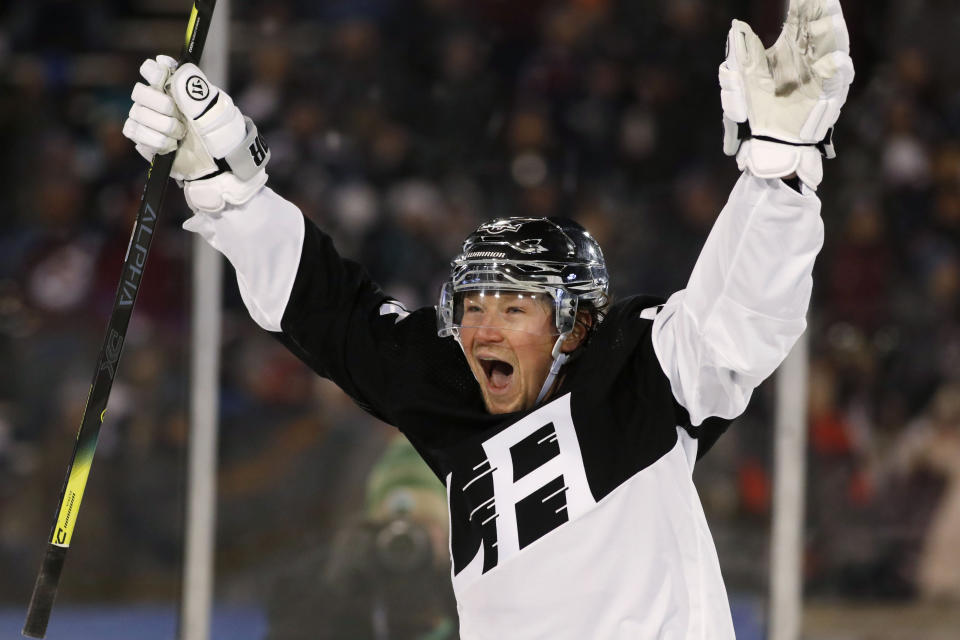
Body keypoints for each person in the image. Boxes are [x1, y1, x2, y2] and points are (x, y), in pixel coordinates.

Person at [122, 0, 854, 637]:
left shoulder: (639, 377)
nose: (484, 329)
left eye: (514, 306)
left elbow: (736, 324)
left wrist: (778, 177)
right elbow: (333, 315)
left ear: (575, 324)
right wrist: (229, 194)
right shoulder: (450, 393)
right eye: (472, 306)